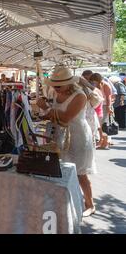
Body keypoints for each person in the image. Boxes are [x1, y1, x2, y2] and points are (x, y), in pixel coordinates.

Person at [37, 66, 96, 217]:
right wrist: (43, 114)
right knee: (62, 169)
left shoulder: (79, 96)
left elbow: (65, 117)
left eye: (58, 86)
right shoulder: (56, 92)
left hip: (78, 138)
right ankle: (69, 202)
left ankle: (90, 204)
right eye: (54, 85)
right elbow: (57, 115)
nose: (55, 88)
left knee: (79, 173)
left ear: (68, 83)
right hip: (61, 136)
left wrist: (46, 109)